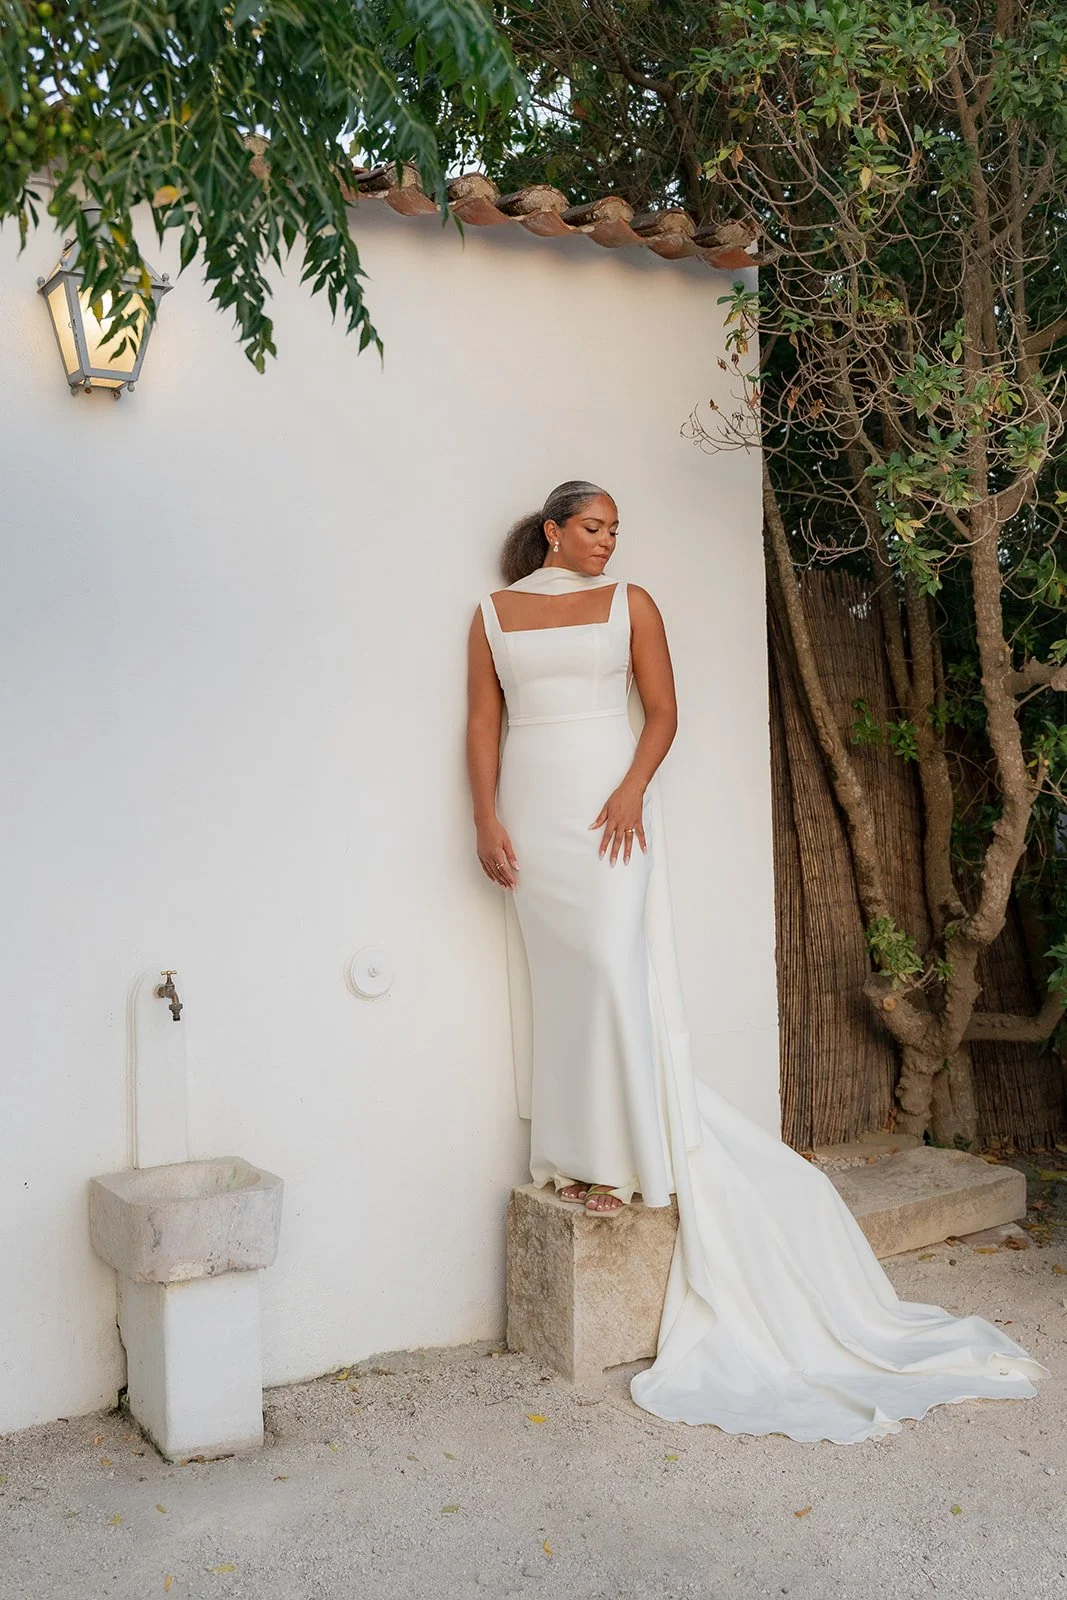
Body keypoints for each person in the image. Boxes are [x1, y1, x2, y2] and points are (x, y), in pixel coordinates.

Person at [465, 478, 1050, 1444]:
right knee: (564, 985)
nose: (609, 541)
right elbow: (483, 725)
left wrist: (628, 794)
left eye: (617, 527)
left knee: (615, 974)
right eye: (595, 527)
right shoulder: (491, 614)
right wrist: (486, 816)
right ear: (551, 531)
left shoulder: (631, 604)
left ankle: (632, 1155)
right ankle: (580, 1157)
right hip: (530, 812)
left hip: (610, 811)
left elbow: (662, 712)